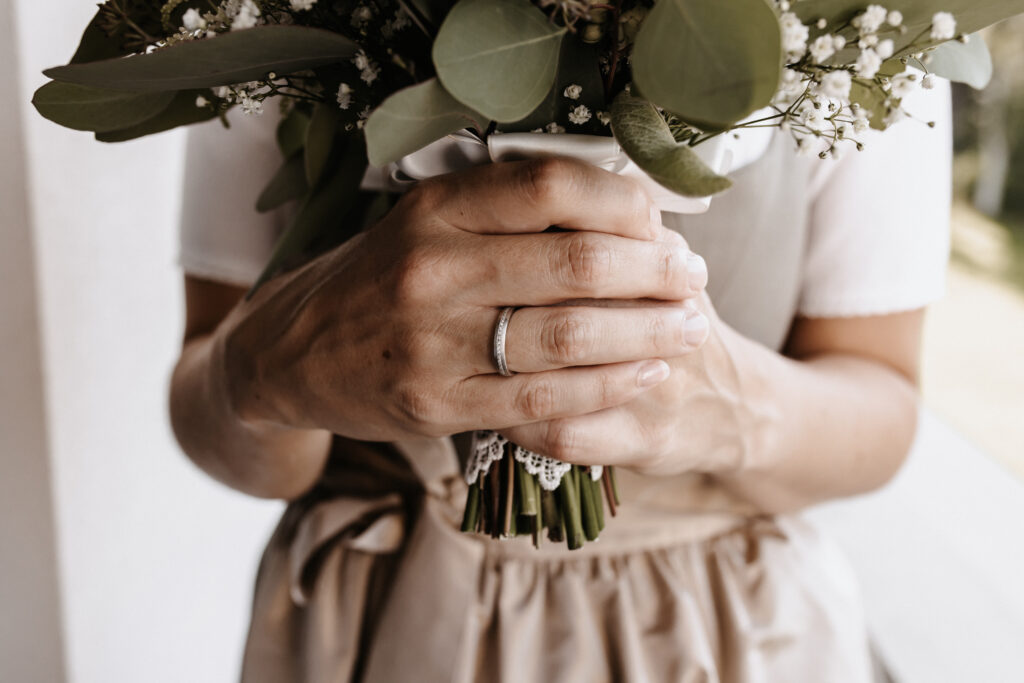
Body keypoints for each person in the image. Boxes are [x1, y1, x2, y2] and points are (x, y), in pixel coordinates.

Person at [169, 80, 951, 681]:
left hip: (719, 635)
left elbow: (882, 404)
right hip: (370, 628)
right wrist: (267, 364)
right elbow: (210, 395)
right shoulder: (263, 13)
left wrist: (724, 400)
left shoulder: (851, 24)